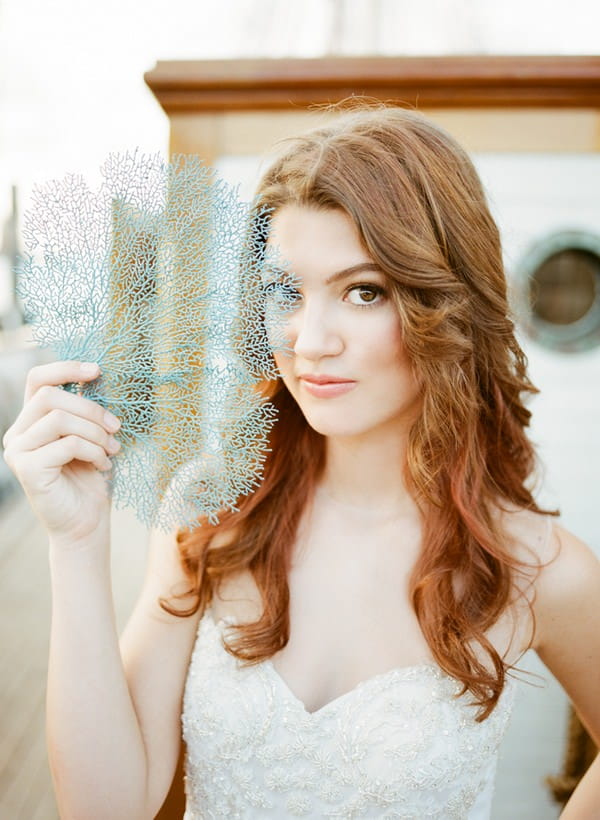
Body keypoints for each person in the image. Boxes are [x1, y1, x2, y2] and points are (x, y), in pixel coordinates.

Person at [3, 104, 599, 819]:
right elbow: (106, 809)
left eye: (363, 291)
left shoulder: (537, 568)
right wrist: (74, 544)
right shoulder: (216, 507)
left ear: (447, 305)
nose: (309, 340)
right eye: (284, 291)